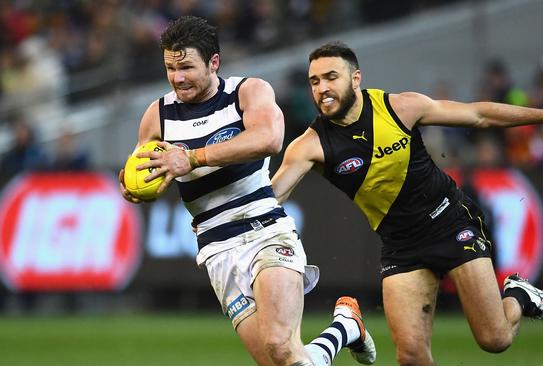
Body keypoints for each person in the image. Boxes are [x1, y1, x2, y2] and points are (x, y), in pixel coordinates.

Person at [271, 42, 543, 365]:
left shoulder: (399, 107)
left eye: (331, 77)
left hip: (450, 222)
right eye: (315, 82)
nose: (323, 89)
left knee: (495, 339)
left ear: (356, 78)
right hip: (401, 245)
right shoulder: (308, 146)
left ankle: (520, 295)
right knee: (411, 357)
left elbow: (478, 115)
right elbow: (269, 199)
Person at [118, 18, 375, 366]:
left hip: (263, 230)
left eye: (186, 67)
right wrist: (131, 184)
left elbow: (269, 138)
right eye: (170, 68)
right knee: (283, 361)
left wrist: (191, 158)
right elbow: (142, 165)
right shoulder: (158, 115)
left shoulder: (248, 92)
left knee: (281, 347)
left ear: (213, 62)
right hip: (216, 250)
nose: (177, 77)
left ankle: (344, 327)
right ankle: (344, 327)